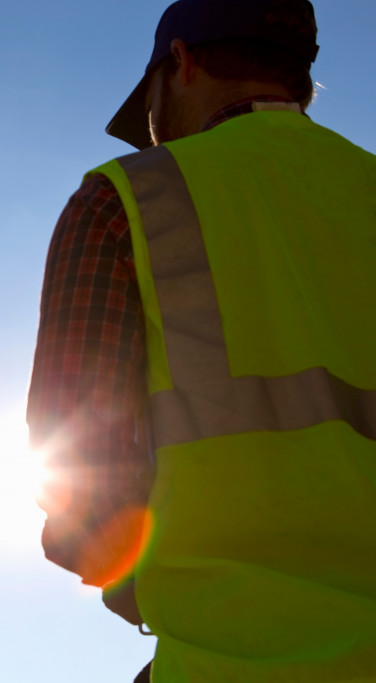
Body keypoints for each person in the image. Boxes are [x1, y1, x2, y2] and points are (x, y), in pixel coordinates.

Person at [27, 0, 376, 680]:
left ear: (180, 62)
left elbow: (82, 488)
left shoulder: (122, 200)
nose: (151, 134)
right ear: (300, 78)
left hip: (228, 659)